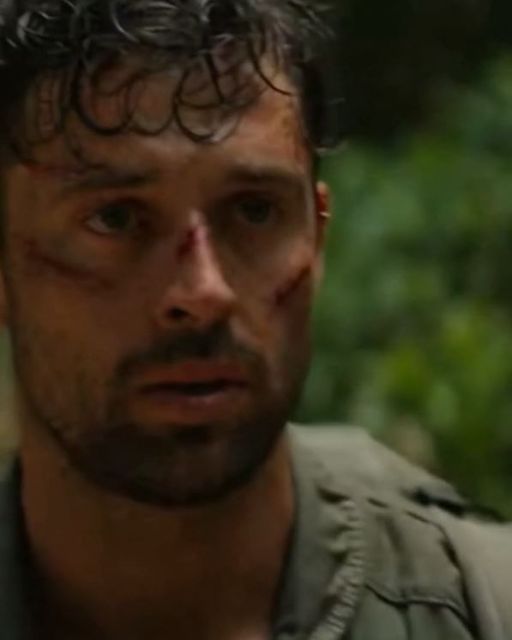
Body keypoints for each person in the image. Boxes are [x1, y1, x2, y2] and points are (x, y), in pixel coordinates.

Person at [0, 1, 511, 639]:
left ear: (316, 240)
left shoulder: (479, 605)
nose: (202, 291)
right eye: (116, 218)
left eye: (254, 211)